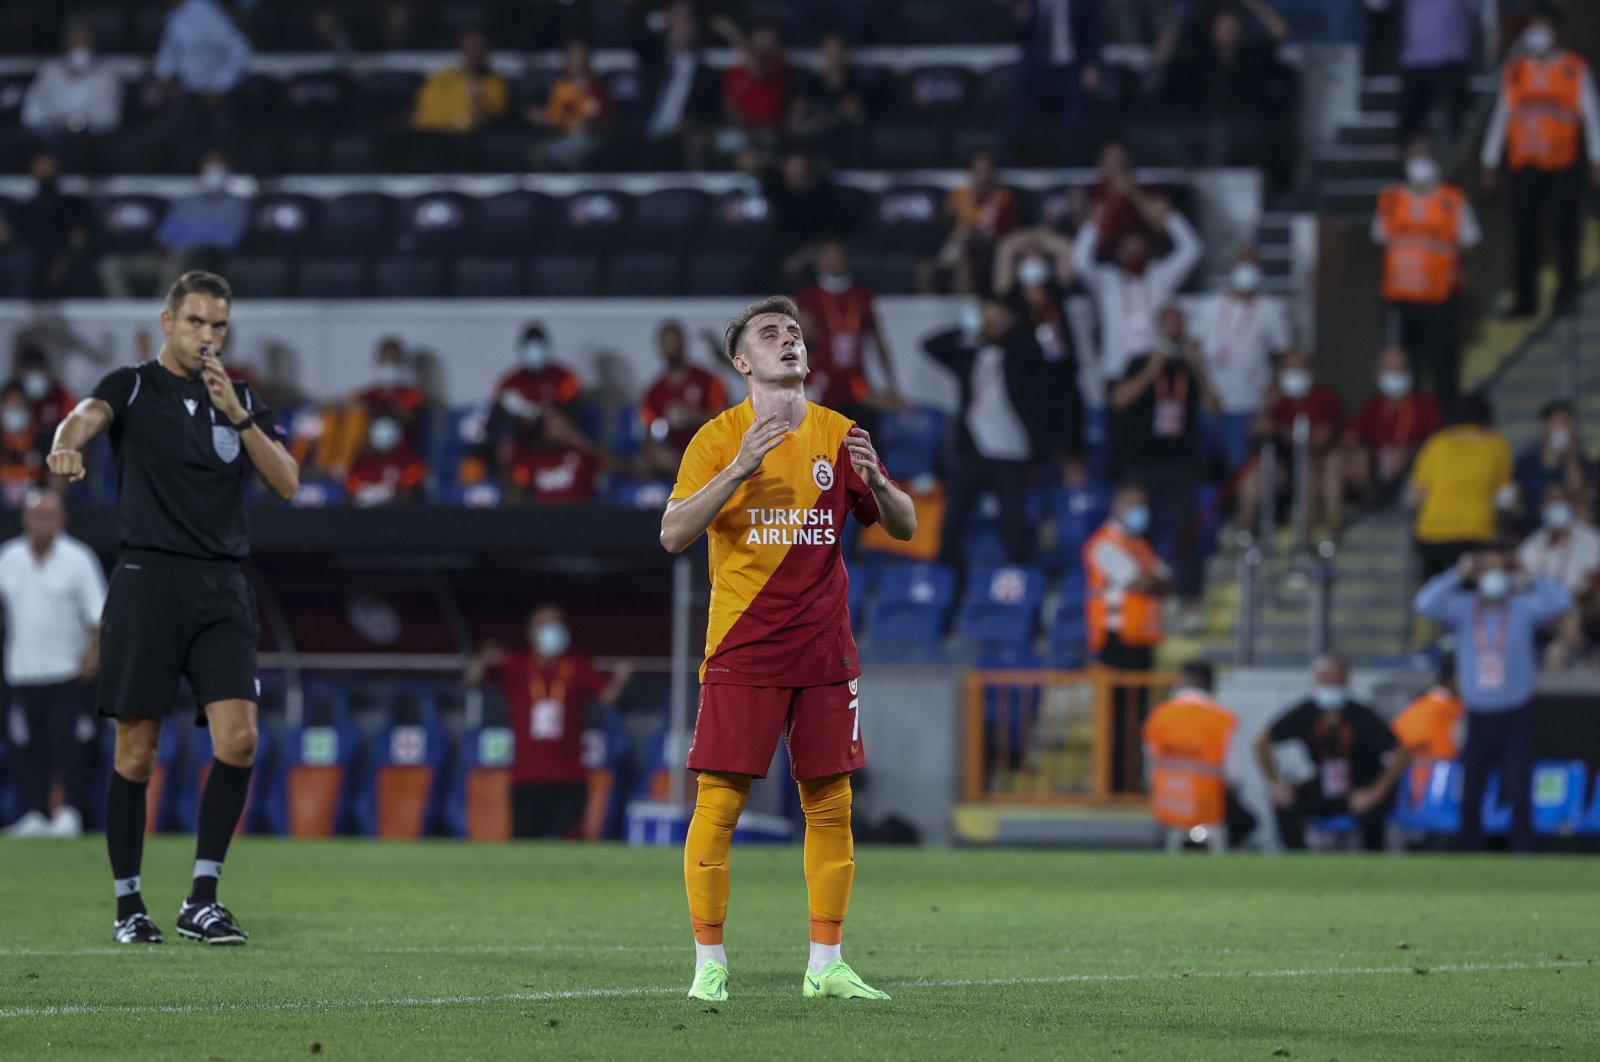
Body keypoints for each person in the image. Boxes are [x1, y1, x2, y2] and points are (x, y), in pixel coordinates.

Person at [659, 295, 916, 1002]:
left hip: (825, 649)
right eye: (770, 333)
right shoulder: (719, 438)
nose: (788, 340)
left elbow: (904, 524)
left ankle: (825, 963)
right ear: (742, 361)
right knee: (719, 804)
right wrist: (738, 469)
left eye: (795, 332)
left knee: (831, 805)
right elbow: (673, 534)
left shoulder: (840, 433)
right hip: (744, 644)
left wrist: (882, 481)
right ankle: (709, 962)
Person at [46, 271, 299, 945]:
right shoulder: (132, 385)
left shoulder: (240, 398)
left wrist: (240, 416)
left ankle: (203, 899)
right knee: (137, 752)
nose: (208, 337)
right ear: (167, 322)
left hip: (220, 588)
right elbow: (89, 414)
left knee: (240, 740)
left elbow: (288, 481)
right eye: (196, 323)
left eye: (218, 326)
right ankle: (129, 907)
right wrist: (67, 441)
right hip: (147, 579)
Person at [1414, 550, 1571, 851]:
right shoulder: (1462, 609)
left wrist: (1531, 576)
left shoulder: (1522, 608)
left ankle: (1524, 852)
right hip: (1478, 714)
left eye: (1500, 570)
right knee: (1471, 791)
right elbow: (1424, 603)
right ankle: (1471, 851)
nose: (1494, 578)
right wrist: (1457, 575)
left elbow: (1560, 600)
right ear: (1478, 575)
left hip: (1516, 713)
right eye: (1487, 570)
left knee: (1519, 789)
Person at [465, 605, 632, 840]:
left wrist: (621, 677)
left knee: (570, 842)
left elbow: (607, 696)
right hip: (526, 777)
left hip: (570, 776)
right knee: (524, 842)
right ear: (531, 632)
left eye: (557, 625)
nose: (552, 631)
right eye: (546, 625)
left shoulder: (576, 666)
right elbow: (473, 682)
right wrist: (482, 659)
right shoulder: (518, 665)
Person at [1479, 4, 1600, 318]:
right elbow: (1501, 116)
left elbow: (1592, 118)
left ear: (1557, 30)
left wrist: (1596, 159)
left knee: (1565, 233)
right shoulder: (1516, 69)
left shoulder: (1574, 68)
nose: (1538, 31)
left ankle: (1567, 296)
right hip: (1525, 165)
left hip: (1562, 165)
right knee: (1524, 235)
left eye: (1543, 24)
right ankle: (1526, 301)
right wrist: (1489, 159)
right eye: (1533, 24)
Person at [0, 491, 106, 839]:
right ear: (25, 519)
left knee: (70, 746)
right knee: (28, 747)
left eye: (49, 516)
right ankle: (33, 812)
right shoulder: (9, 557)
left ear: (62, 519)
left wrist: (92, 655)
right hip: (23, 670)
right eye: (36, 516)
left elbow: (98, 616)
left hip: (67, 672)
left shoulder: (78, 558)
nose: (42, 522)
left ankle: (71, 812)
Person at [1108, 306, 1217, 622]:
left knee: (1188, 533)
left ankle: (1190, 599)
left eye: (1178, 322)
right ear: (1157, 326)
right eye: (1167, 322)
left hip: (1180, 465)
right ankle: (1148, 597)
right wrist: (1151, 370)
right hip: (1142, 464)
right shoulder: (1138, 361)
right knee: (1141, 531)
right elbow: (1119, 400)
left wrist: (1199, 368)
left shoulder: (1189, 368)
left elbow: (1213, 408)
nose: (1173, 328)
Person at [924, 298, 1043, 572]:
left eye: (998, 318)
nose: (992, 324)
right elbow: (931, 345)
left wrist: (1010, 328)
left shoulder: (1020, 353)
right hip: (972, 449)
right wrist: (968, 328)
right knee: (953, 520)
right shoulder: (969, 353)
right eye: (987, 318)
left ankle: (1023, 576)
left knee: (1012, 522)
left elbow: (1034, 351)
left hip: (1010, 451)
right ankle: (950, 579)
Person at [1254, 655, 1409, 852]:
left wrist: (1375, 791)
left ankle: (1372, 863)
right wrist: (1275, 782)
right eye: (1326, 677)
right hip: (1327, 784)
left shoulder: (1360, 715)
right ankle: (1298, 861)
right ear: (1315, 679)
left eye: (1337, 678)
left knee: (1373, 812)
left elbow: (1402, 752)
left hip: (1361, 784)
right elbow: (1262, 742)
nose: (1331, 684)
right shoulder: (1307, 712)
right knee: (1285, 803)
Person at [1372, 139, 1480, 404]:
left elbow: (1470, 240)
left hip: (1439, 298)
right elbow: (1380, 238)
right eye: (1414, 158)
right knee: (1404, 365)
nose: (1420, 165)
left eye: (1425, 158)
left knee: (1443, 365)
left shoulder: (1451, 200)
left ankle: (1449, 417)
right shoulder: (1390, 199)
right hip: (1401, 299)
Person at [1072, 197, 1201, 386]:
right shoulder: (1107, 280)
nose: (1134, 254)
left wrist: (1170, 217)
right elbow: (1080, 263)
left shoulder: (1160, 276)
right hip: (1117, 368)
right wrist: (1091, 225)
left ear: (1148, 251)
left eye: (1139, 249)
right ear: (1118, 254)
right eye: (1128, 250)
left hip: (1156, 366)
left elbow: (1192, 250)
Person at [992, 226, 1086, 480]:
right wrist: (1028, 239)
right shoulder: (1009, 294)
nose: (1033, 263)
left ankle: (1077, 510)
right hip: (1027, 382)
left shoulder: (1055, 289)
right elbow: (1005, 248)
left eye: (1038, 258)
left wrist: (1040, 239)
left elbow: (1067, 249)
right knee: (1033, 452)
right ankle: (1032, 511)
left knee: (1072, 451)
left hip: (1062, 378)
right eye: (1026, 258)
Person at [99, 151, 249, 300]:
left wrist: (191, 250)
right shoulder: (186, 203)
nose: (213, 171)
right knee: (111, 265)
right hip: (169, 257)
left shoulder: (236, 206)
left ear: (228, 170)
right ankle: (126, 311)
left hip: (202, 261)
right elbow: (164, 235)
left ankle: (159, 314)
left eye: (218, 166)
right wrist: (161, 251)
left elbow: (228, 242)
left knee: (174, 268)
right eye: (208, 166)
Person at [1194, 249, 1292, 473]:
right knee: (1203, 468)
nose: (1246, 271)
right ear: (1232, 269)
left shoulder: (1271, 309)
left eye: (1252, 265)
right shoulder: (1210, 305)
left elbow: (1284, 355)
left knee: (1241, 470)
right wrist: (1205, 391)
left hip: (1249, 405)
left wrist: (1270, 401)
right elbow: (1193, 352)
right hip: (1211, 404)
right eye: (1242, 264)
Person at [1142, 660, 1256, 846]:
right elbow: (1234, 772)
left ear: (1182, 680)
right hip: (1207, 805)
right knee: (1247, 822)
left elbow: (1148, 763)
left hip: (1167, 803)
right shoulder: (1223, 719)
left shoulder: (1158, 715)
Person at [793, 240, 902, 431]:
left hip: (855, 381)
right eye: (828, 256)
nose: (833, 260)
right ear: (819, 261)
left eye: (838, 255)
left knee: (863, 435)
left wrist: (891, 384)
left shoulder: (861, 296)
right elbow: (797, 341)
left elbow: (877, 341)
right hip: (822, 378)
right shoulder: (807, 297)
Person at [1236, 351, 1344, 539]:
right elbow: (1254, 432)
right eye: (1289, 369)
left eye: (1299, 368)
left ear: (1311, 373)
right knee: (1252, 476)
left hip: (1315, 466)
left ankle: (1312, 535)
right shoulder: (1275, 400)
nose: (1294, 374)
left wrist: (1279, 429)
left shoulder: (1325, 398)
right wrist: (1268, 406)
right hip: (1281, 468)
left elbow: (1319, 440)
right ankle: (1245, 534)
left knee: (1308, 468)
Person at [1407, 394, 1513, 580]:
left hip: (1432, 534)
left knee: (1436, 599)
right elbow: (1505, 497)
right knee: (1471, 602)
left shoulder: (1436, 443)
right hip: (1476, 534)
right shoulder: (1495, 444)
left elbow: (1415, 497)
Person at [1334, 347, 1442, 516]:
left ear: (1409, 372)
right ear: (1378, 373)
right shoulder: (1373, 405)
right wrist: (1359, 453)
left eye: (1400, 368)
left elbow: (1438, 444)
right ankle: (1333, 524)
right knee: (1337, 460)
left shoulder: (1425, 405)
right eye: (1389, 368)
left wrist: (1410, 452)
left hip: (1413, 468)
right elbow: (1349, 438)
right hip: (1375, 469)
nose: (1394, 373)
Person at [145, 0, 252, 164]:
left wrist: (221, 84)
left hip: (217, 96)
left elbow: (239, 48)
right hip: (187, 93)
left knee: (218, 136)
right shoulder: (174, 15)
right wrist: (165, 81)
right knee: (160, 135)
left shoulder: (206, 11)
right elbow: (167, 56)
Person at [1004, 0, 1103, 162]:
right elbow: (1015, 34)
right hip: (1037, 71)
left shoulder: (1083, 3)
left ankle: (1073, 173)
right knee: (1017, 123)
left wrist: (1092, 64)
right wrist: (1021, 19)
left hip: (1072, 69)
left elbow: (1095, 33)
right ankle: (1012, 169)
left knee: (1075, 124)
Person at [1518, 484, 1600, 668]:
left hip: (1581, 610)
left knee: (1571, 620)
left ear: (1571, 506)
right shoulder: (1531, 546)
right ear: (1543, 509)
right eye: (1552, 501)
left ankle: (1575, 655)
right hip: (1540, 612)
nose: (1558, 506)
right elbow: (1522, 587)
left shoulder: (1592, 540)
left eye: (1563, 501)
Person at [19, 23, 122, 164]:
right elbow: (31, 111)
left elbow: (108, 118)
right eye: (75, 43)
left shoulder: (106, 76)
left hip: (89, 138)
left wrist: (77, 123)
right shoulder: (50, 72)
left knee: (71, 143)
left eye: (85, 43)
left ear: (94, 47)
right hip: (49, 133)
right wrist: (55, 121)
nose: (80, 48)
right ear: (66, 46)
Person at [638, 321, 729, 479]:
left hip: (709, 450)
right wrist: (655, 453)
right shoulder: (654, 391)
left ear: (684, 342)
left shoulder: (707, 380)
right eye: (667, 342)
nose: (672, 347)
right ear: (659, 346)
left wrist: (694, 417)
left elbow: (726, 418)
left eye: (675, 341)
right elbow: (648, 432)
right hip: (674, 455)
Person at [921, 149, 1019, 295]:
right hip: (956, 247)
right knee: (924, 270)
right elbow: (942, 222)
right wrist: (947, 211)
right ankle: (927, 310)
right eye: (978, 171)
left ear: (993, 173)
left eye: (987, 171)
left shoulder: (1003, 197)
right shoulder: (960, 195)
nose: (983, 176)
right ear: (971, 173)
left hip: (987, 249)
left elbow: (1009, 232)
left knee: (965, 261)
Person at [0, 153, 95, 298]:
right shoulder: (24, 209)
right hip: (29, 261)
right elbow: (5, 236)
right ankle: (17, 313)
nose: (44, 172)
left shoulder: (74, 205)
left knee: (79, 268)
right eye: (40, 168)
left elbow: (79, 241)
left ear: (59, 171)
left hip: (63, 258)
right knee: (21, 262)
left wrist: (62, 264)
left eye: (48, 168)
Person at [639, 2, 721, 169]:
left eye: (686, 23)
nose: (681, 29)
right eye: (676, 22)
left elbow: (713, 113)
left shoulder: (708, 75)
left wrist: (691, 123)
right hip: (646, 132)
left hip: (683, 135)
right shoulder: (653, 68)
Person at [1397, 0, 1480, 145]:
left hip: (1451, 58)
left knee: (1454, 120)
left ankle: (1454, 160)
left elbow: (1474, 6)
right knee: (1410, 122)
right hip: (1416, 61)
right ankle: (1411, 159)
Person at [1390, 655, 1464, 810]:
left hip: (1407, 794)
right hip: (1436, 796)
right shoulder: (1454, 710)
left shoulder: (1416, 707)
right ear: (1453, 680)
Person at [786, 33, 869, 166]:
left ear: (847, 55)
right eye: (830, 51)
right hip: (810, 153)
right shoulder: (809, 85)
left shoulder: (857, 86)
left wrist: (811, 126)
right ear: (822, 54)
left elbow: (850, 113)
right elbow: (796, 125)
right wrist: (837, 115)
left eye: (839, 51)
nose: (835, 57)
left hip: (842, 152)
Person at [1511, 399, 1594, 532]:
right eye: (1558, 423)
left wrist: (1570, 458)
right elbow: (1516, 502)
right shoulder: (1526, 462)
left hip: (1569, 532)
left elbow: (1578, 493)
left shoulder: (1581, 462)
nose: (1563, 428)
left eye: (1568, 423)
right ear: (1545, 427)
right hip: (1532, 531)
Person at [529, 40, 612, 171]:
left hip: (588, 138)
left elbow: (603, 120)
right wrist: (542, 118)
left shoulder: (598, 87)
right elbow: (555, 117)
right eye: (573, 58)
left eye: (581, 58)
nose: (577, 63)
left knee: (577, 151)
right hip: (561, 136)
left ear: (589, 60)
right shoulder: (560, 87)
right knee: (537, 151)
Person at [712, 18, 791, 152]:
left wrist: (734, 34)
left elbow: (759, 70)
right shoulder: (733, 72)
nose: (767, 44)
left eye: (772, 39)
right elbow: (729, 105)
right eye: (762, 38)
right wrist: (743, 127)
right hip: (739, 132)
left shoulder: (780, 67)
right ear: (752, 39)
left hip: (769, 133)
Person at [410, 29, 509, 134]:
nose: (473, 53)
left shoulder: (495, 83)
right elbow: (416, 106)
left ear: (486, 51)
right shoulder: (442, 75)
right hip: (421, 132)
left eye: (478, 49)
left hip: (456, 139)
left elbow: (484, 121)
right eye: (469, 48)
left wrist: (472, 81)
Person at [344, 414, 428, 506]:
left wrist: (398, 492)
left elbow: (411, 486)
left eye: (387, 449)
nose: (383, 453)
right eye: (379, 449)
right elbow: (351, 490)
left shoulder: (405, 459)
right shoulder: (361, 462)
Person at [0, 384, 50, 505]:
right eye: (11, 405)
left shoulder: (44, 440)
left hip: (37, 510)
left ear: (29, 409)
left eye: (19, 405)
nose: (15, 410)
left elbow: (56, 481)